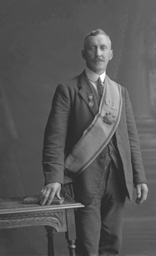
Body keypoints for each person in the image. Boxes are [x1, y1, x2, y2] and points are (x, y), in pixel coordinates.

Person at [40, 29, 148, 256]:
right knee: (87, 248)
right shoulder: (67, 90)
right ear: (84, 53)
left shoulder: (120, 92)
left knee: (112, 246)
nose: (98, 53)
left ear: (110, 54)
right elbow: (54, 139)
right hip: (84, 180)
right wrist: (54, 179)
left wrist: (139, 177)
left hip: (118, 180)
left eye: (103, 48)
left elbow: (131, 139)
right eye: (92, 48)